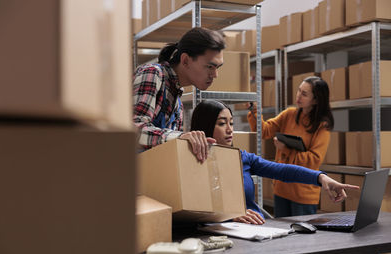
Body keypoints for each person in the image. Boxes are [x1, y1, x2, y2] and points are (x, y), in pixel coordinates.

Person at [191, 100, 358, 225]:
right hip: (221, 237)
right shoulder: (190, 161)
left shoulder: (242, 157)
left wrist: (321, 178)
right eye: (222, 123)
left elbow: (282, 170)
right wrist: (226, 215)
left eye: (231, 123)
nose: (230, 129)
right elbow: (190, 209)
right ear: (205, 125)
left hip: (256, 231)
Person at [133, 27, 226, 162]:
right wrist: (180, 137)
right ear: (185, 60)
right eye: (209, 66)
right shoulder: (153, 74)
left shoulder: (177, 103)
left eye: (218, 67)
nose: (215, 75)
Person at [247, 76, 334, 218]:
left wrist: (285, 149)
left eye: (304, 94)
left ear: (316, 100)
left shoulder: (322, 126)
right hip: (281, 189)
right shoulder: (289, 114)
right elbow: (264, 131)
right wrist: (255, 111)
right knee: (284, 236)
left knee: (301, 239)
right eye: (299, 91)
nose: (298, 96)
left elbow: (314, 160)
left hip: (303, 194)